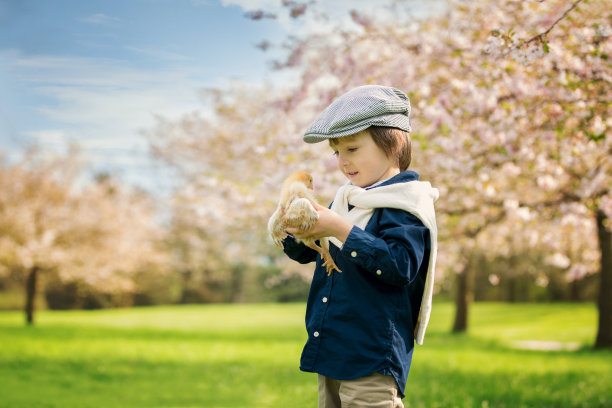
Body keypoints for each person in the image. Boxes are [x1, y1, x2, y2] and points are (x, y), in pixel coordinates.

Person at [281, 85, 439, 408]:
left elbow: (400, 266)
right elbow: (311, 250)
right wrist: (293, 230)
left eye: (352, 149)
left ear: (393, 143)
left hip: (371, 355)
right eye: (337, 152)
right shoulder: (347, 200)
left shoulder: (403, 205)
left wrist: (340, 228)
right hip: (334, 347)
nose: (343, 162)